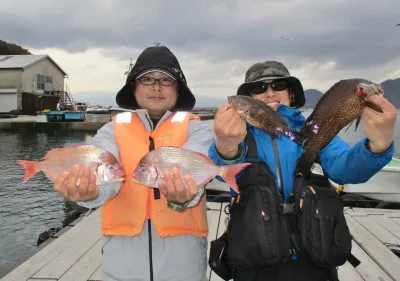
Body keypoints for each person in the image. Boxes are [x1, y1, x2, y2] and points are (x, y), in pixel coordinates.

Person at [208, 61, 397, 281]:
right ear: (248, 98)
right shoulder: (236, 133)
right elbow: (220, 167)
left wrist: (379, 144)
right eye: (259, 88)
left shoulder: (315, 129)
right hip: (253, 260)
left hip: (314, 259)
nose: (269, 93)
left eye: (278, 85)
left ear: (291, 92)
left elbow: (345, 168)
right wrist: (225, 145)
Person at [52, 45, 214, 281]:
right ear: (134, 87)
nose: (156, 86)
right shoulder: (110, 131)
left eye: (166, 80)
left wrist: (185, 195)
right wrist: (89, 193)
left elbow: (195, 175)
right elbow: (106, 178)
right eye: (147, 79)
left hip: (183, 263)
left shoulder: (197, 129)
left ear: (178, 89)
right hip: (121, 265)